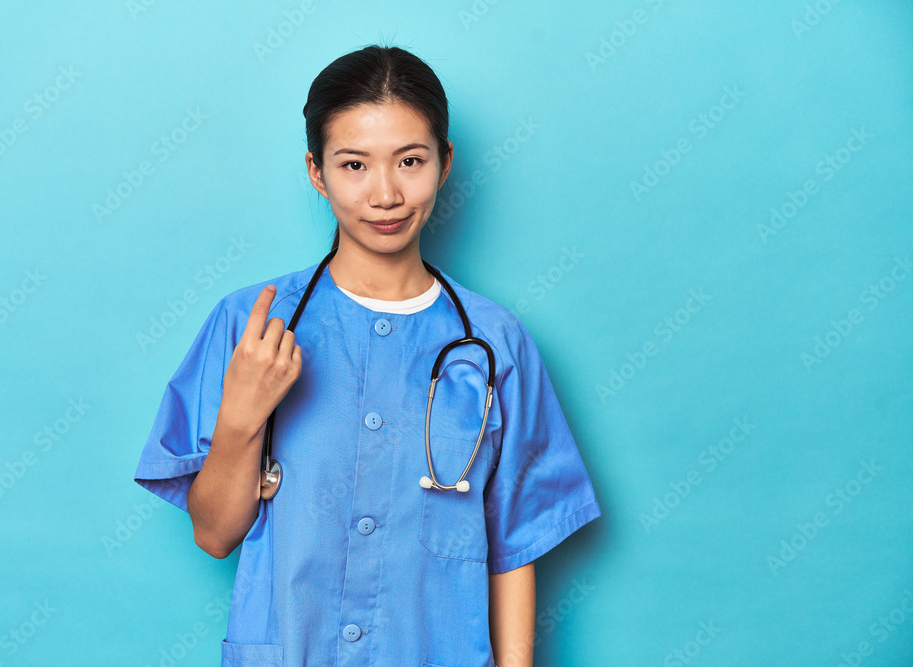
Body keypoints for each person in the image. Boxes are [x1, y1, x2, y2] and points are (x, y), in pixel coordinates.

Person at [134, 43, 601, 667]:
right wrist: (242, 414)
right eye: (354, 165)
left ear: (445, 163)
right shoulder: (250, 326)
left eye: (410, 160)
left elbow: (513, 545)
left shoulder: (496, 344)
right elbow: (214, 534)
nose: (386, 193)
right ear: (316, 171)